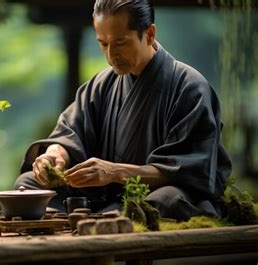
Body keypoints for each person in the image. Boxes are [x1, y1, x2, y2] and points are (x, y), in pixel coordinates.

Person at [14, 0, 232, 221]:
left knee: (166, 200)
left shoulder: (189, 87)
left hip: (157, 193)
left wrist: (115, 172)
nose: (111, 55)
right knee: (29, 185)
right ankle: (94, 222)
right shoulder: (101, 85)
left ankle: (104, 219)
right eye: (103, 44)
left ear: (149, 34)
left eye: (120, 42)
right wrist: (54, 155)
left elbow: (188, 172)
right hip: (101, 197)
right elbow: (71, 132)